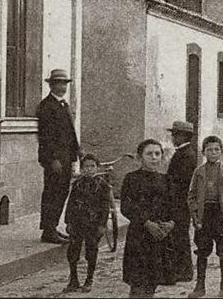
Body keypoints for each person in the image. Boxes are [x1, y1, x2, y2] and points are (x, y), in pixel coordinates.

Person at [121, 139, 175, 298]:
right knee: (138, 281)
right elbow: (126, 207)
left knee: (153, 280)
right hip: (139, 236)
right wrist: (146, 222)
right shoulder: (131, 179)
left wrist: (170, 224)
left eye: (157, 154)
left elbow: (173, 206)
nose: (154, 157)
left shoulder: (166, 179)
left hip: (159, 236)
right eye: (149, 154)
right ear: (140, 157)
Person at [186, 136, 223, 298]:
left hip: (220, 213)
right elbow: (191, 195)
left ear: (222, 151)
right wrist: (195, 215)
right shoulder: (199, 171)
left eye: (216, 149)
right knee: (202, 250)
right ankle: (200, 286)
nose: (213, 153)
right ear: (203, 152)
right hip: (204, 213)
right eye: (209, 150)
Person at [37, 68, 80, 244]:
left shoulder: (64, 105)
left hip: (66, 157)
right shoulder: (47, 106)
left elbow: (70, 132)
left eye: (64, 84)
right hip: (55, 159)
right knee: (52, 193)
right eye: (58, 83)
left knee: (62, 192)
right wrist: (53, 159)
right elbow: (45, 137)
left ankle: (53, 226)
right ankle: (48, 230)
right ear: (51, 85)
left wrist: (77, 151)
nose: (62, 87)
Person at [64, 153, 114, 293]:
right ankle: (73, 279)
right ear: (82, 168)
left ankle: (89, 279)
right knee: (73, 250)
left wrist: (102, 225)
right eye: (86, 167)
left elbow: (105, 207)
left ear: (97, 168)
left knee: (91, 250)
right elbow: (71, 203)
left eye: (92, 166)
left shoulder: (103, 186)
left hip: (93, 223)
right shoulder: (77, 184)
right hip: (77, 222)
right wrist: (68, 221)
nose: (89, 169)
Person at [162, 120, 198, 284]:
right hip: (180, 201)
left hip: (180, 202)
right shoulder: (184, 152)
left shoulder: (186, 154)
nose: (173, 138)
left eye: (175, 134)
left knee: (179, 235)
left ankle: (183, 271)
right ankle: (181, 270)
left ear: (183, 136)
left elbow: (180, 181)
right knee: (178, 235)